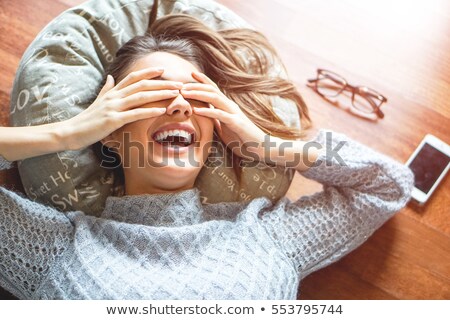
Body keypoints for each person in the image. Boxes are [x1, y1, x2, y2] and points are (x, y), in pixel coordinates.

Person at [0, 13, 413, 299]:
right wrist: (68, 132)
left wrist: (264, 144)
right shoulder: (55, 249)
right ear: (111, 133)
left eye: (197, 97)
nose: (179, 106)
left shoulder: (265, 239)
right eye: (153, 94)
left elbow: (387, 186)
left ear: (214, 134)